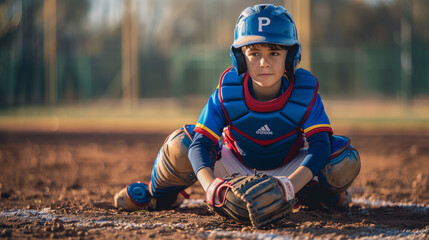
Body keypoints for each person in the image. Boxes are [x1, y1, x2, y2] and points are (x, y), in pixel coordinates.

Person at [114, 4, 360, 215]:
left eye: (274, 52)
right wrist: (212, 188)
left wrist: (289, 187)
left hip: (289, 169)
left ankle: (319, 197)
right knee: (181, 144)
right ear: (240, 58)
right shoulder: (227, 92)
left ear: (290, 56)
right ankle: (159, 196)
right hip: (234, 165)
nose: (264, 61)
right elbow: (200, 145)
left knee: (342, 160)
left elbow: (320, 146)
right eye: (254, 52)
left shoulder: (304, 93)